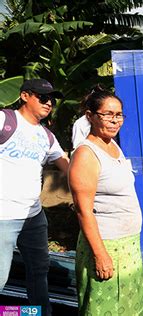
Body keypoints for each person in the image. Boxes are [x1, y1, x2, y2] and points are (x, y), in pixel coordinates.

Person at [68, 86, 143, 315]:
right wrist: (100, 255)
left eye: (119, 114)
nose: (115, 120)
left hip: (128, 245)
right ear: (90, 116)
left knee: (130, 305)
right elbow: (83, 211)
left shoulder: (112, 145)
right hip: (106, 245)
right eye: (108, 114)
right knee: (104, 307)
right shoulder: (86, 154)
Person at [0, 78, 69, 316]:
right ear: (25, 96)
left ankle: (36, 313)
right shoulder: (4, 120)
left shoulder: (46, 136)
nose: (48, 103)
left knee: (39, 272)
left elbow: (68, 167)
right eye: (42, 97)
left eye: (51, 99)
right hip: (3, 217)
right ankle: (7, 312)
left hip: (33, 217)